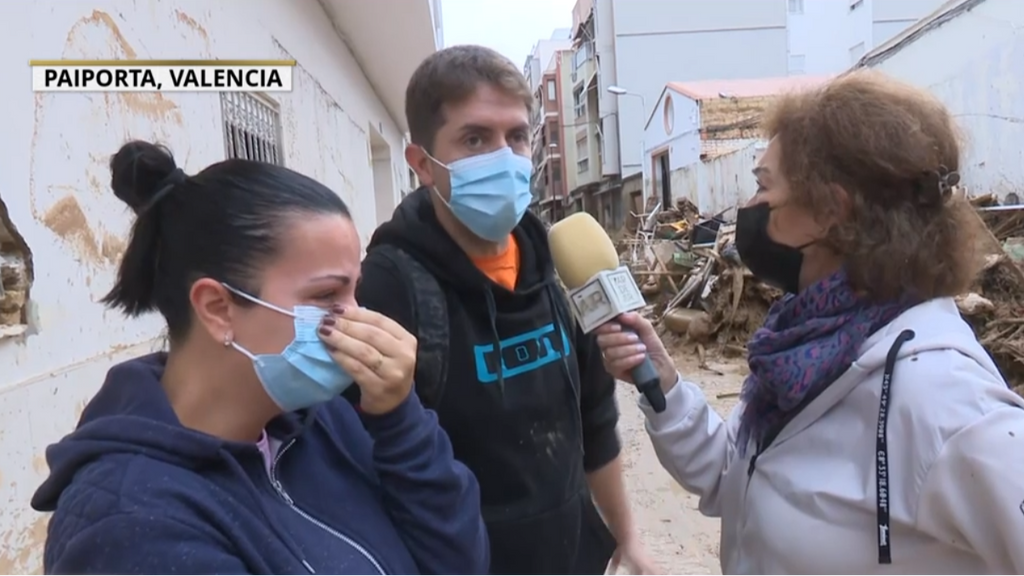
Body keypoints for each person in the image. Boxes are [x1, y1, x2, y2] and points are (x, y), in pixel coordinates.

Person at [594, 70, 1024, 575]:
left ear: (829, 212)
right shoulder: (803, 351)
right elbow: (735, 474)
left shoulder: (947, 404)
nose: (748, 209)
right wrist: (663, 385)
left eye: (762, 186)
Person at [30, 141, 489, 575]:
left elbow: (459, 560)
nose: (357, 319)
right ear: (217, 309)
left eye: (356, 291)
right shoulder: (129, 524)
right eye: (328, 294)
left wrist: (397, 417)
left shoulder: (321, 420)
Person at [354, 45, 658, 575]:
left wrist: (627, 538)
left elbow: (596, 419)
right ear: (422, 163)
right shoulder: (389, 288)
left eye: (516, 136)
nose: (504, 157)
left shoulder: (558, 264)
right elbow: (367, 462)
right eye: (475, 139)